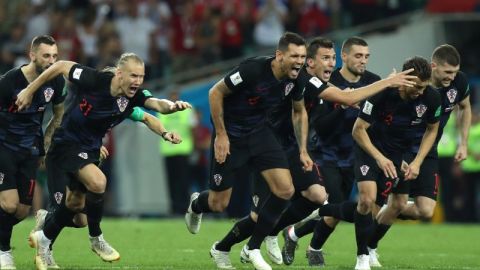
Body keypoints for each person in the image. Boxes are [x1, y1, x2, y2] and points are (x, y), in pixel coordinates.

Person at [208, 37, 416, 269]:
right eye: (325, 59)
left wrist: (304, 149)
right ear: (310, 63)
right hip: (266, 144)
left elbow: (322, 105)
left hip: (292, 148)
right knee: (257, 214)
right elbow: (341, 98)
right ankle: (223, 247)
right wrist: (387, 83)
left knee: (317, 196)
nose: (331, 64)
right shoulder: (300, 79)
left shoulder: (311, 81)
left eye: (333, 58)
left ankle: (267, 238)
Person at [15, 52, 191, 270]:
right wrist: (29, 90)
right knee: (98, 182)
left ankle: (45, 235)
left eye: (141, 76)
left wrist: (169, 118)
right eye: (133, 76)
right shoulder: (94, 80)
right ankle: (96, 238)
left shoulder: (129, 100)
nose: (137, 81)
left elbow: (154, 108)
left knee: (76, 210)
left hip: (89, 152)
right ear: (119, 74)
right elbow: (61, 65)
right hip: (64, 145)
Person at [184, 32, 312, 270]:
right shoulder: (253, 69)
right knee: (219, 203)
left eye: (303, 56)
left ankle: (252, 247)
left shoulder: (298, 79)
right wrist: (221, 134)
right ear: (279, 55)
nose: (299, 61)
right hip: (230, 135)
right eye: (294, 56)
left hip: (260, 134)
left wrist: (303, 149)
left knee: (285, 190)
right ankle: (197, 204)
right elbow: (215, 92)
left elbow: (299, 110)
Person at [31, 106, 182, 269]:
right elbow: (67, 119)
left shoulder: (123, 104)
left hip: (84, 154)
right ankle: (48, 250)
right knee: (73, 199)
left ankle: (47, 220)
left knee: (80, 219)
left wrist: (165, 133)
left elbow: (147, 117)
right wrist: (87, 142)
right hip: (62, 154)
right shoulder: (93, 96)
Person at [281, 36, 382, 267]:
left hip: (358, 155)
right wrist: (343, 105)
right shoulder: (328, 80)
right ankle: (319, 249)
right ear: (344, 57)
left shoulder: (372, 82)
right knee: (336, 204)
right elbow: (321, 126)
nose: (363, 61)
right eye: (358, 56)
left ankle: (296, 235)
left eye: (366, 56)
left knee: (336, 212)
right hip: (327, 154)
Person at [366, 44, 471, 267]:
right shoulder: (410, 88)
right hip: (400, 149)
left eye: (455, 72)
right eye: (447, 72)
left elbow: (465, 106)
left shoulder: (458, 82)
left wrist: (463, 143)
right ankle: (369, 246)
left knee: (425, 210)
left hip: (426, 151)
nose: (452, 77)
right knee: (393, 202)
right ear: (434, 67)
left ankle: (387, 209)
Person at [351, 56, 441, 270]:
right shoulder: (383, 92)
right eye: (417, 86)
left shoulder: (431, 97)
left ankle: (368, 245)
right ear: (405, 78)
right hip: (369, 148)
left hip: (398, 154)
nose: (421, 91)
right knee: (367, 200)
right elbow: (358, 129)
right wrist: (379, 158)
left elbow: (432, 129)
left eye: (424, 87)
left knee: (396, 204)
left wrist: (418, 161)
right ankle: (362, 256)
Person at [0, 35, 66, 270]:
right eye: (46, 55)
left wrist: (46, 145)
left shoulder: (56, 82)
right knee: (8, 205)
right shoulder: (9, 81)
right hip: (4, 148)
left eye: (55, 56)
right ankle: (4, 253)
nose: (51, 61)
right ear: (33, 55)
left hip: (30, 150)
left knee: (20, 211)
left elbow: (58, 115)